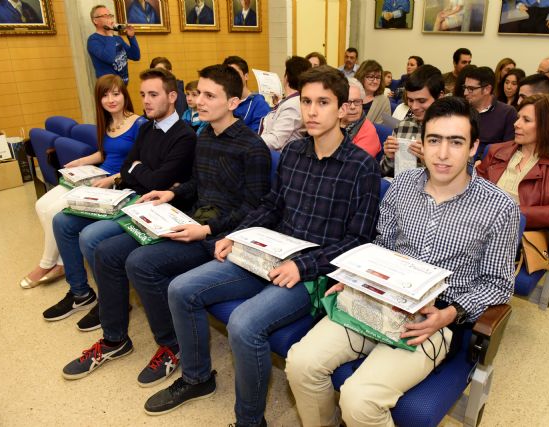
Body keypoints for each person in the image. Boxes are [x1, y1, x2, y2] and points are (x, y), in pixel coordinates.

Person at [143, 66, 381, 425]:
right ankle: (197, 378)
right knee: (181, 289)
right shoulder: (294, 152)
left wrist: (301, 266)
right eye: (306, 102)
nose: (312, 111)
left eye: (323, 103)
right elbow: (271, 206)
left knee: (244, 324)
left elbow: (358, 241)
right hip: (270, 253)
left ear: (343, 109)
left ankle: (250, 421)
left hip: (313, 274)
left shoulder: (361, 167)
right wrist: (234, 236)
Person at [285, 96, 521, 427]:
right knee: (301, 363)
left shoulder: (499, 208)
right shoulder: (403, 186)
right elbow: (381, 244)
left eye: (456, 142)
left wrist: (449, 314)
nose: (442, 153)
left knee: (360, 400)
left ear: (473, 147)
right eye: (434, 140)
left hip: (433, 318)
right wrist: (354, 279)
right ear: (422, 143)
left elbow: (498, 284)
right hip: (378, 298)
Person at [61, 64, 271, 386]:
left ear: (232, 103)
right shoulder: (206, 135)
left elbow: (254, 208)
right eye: (199, 94)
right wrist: (171, 193)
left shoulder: (252, 147)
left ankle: (172, 346)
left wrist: (206, 230)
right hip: (192, 219)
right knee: (107, 253)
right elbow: (197, 184)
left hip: (219, 235)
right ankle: (115, 339)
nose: (198, 101)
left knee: (140, 263)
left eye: (209, 95)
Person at [43, 68, 196, 331]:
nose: (146, 101)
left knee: (91, 237)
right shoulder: (147, 127)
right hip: (128, 193)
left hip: (151, 203)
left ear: (172, 97)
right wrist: (138, 170)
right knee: (62, 222)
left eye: (153, 95)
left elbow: (157, 181)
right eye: (143, 95)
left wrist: (138, 169)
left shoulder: (185, 135)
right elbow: (127, 167)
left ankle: (110, 303)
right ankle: (80, 292)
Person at [21, 75, 145, 290]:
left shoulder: (139, 123)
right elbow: (104, 153)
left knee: (54, 213)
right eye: (105, 96)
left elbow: (140, 162)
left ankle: (48, 264)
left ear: (125, 95)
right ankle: (61, 261)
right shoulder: (107, 121)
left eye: (116, 94)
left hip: (114, 182)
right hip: (96, 174)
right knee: (41, 205)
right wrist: (80, 162)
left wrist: (112, 178)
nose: (111, 100)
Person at [477, 94, 549, 229]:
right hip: (479, 223)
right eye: (518, 118)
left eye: (526, 120)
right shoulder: (497, 151)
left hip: (523, 231)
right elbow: (473, 188)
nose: (516, 124)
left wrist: (514, 212)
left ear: (548, 126)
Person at [381, 65, 443, 177]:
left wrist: (429, 163)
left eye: (422, 101)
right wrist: (390, 158)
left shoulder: (454, 132)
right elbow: (383, 173)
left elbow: (463, 180)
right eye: (410, 100)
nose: (414, 107)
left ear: (440, 97)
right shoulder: (403, 126)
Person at [462, 66, 517, 158]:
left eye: (471, 89)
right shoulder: (462, 110)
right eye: (465, 87)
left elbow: (508, 150)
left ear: (487, 89)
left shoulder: (507, 113)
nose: (465, 93)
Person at [259, 56, 311, 151]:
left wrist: (250, 140)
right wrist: (279, 102)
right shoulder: (294, 101)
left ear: (286, 78)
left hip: (278, 156)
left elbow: (276, 140)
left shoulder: (293, 106)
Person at [87, 5, 140, 85]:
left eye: (110, 16)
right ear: (95, 21)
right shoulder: (93, 40)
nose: (109, 18)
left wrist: (131, 37)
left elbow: (135, 56)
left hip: (122, 85)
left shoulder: (117, 38)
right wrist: (109, 34)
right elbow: (109, 58)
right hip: (108, 87)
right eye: (105, 16)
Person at [222, 55, 271, 133]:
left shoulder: (259, 104)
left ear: (246, 76)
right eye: (228, 75)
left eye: (235, 74)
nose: (231, 78)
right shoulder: (223, 101)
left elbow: (256, 136)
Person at [341, 78, 381, 158]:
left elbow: (352, 163)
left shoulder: (368, 132)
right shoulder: (331, 122)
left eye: (357, 102)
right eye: (348, 102)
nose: (353, 107)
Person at [354, 59, 391, 125]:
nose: (375, 81)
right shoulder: (351, 96)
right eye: (371, 77)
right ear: (361, 77)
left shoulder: (384, 101)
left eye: (378, 77)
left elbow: (384, 128)